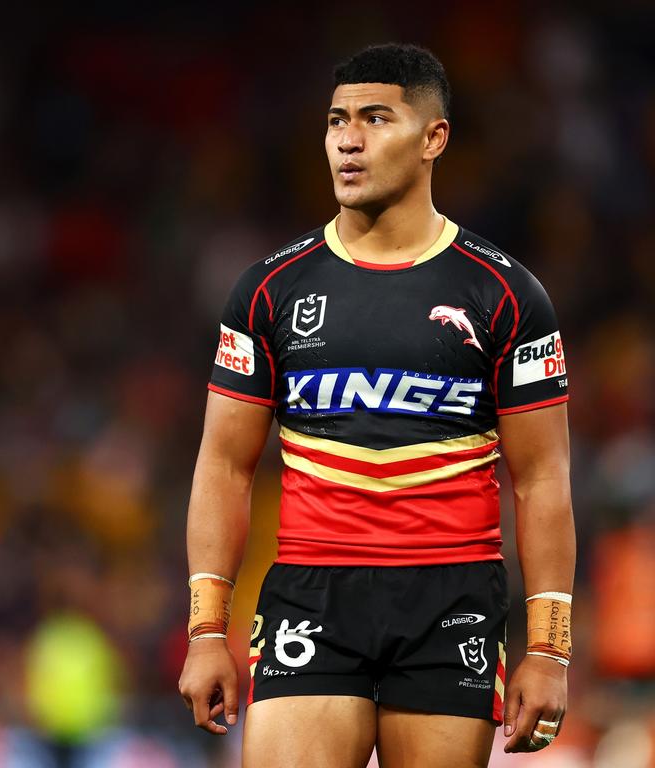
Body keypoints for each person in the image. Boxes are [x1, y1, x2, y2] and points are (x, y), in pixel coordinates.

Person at [178, 44, 575, 768]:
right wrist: (207, 631)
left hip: (451, 597)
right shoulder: (271, 290)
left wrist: (549, 648)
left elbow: (543, 479)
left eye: (374, 118)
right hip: (312, 593)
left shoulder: (507, 294)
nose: (347, 140)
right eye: (336, 121)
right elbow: (224, 467)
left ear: (434, 138)